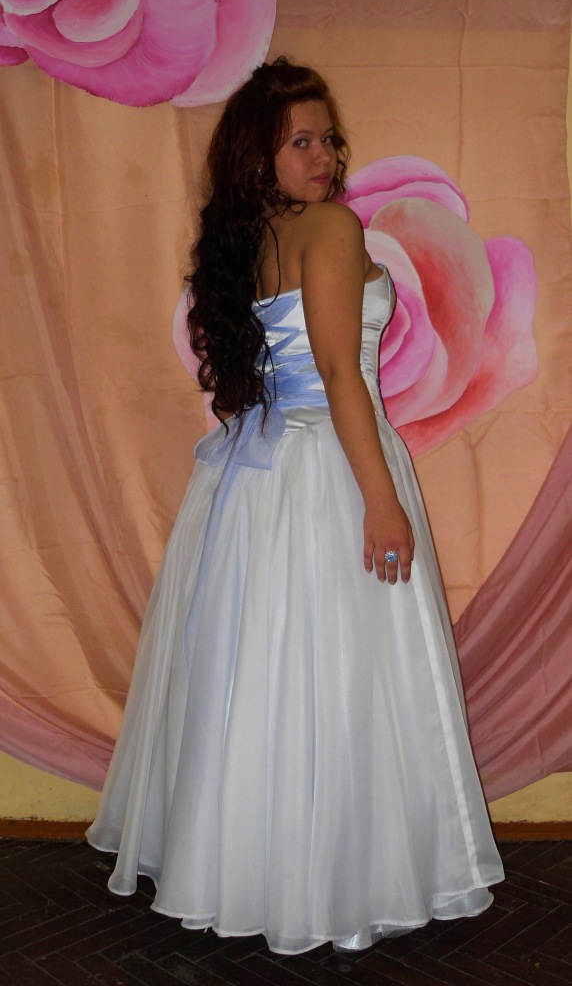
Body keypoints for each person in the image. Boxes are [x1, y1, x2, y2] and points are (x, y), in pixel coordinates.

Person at [87, 58, 504, 956]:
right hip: (330, 469)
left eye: (328, 138)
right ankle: (341, 878)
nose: (324, 156)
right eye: (301, 142)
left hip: (259, 473)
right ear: (258, 156)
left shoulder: (253, 239)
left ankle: (247, 867)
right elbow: (343, 374)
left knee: (263, 672)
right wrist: (381, 500)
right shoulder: (331, 227)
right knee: (342, 673)